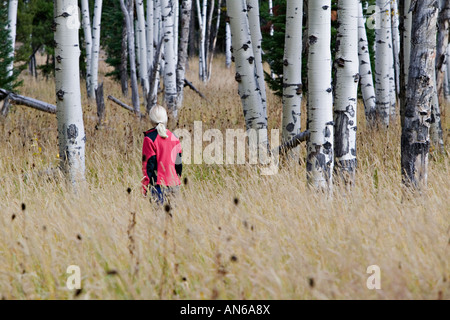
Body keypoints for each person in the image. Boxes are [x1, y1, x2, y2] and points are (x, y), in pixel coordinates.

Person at [142, 105, 182, 204]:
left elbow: (148, 166)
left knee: (158, 217)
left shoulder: (149, 139)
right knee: (173, 218)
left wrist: (145, 187)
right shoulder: (174, 137)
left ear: (151, 120)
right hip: (174, 185)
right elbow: (179, 164)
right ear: (165, 119)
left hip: (158, 186)